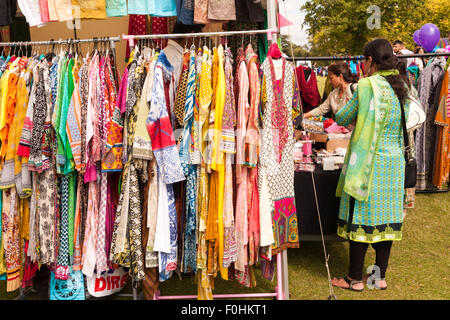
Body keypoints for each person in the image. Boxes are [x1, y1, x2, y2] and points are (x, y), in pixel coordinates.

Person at [330, 39, 411, 292]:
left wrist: (349, 101)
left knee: (360, 219)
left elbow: (342, 117)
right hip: (394, 164)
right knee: (385, 221)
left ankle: (354, 279)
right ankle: (379, 277)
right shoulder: (402, 86)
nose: (363, 65)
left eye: (364, 60)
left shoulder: (365, 86)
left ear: (371, 62)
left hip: (368, 164)